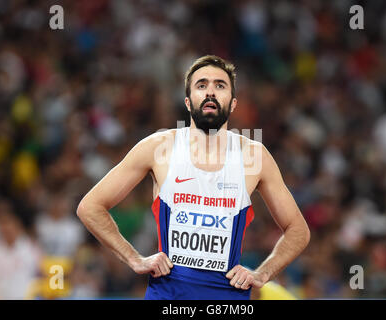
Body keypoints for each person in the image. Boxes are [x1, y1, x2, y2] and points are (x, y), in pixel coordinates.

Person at [77, 55, 310, 300]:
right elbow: (90, 207)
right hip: (169, 297)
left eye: (220, 86)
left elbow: (298, 230)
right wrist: (134, 258)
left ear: (232, 104)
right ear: (188, 102)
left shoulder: (254, 156)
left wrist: (263, 274)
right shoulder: (159, 148)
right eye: (202, 85)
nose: (210, 92)